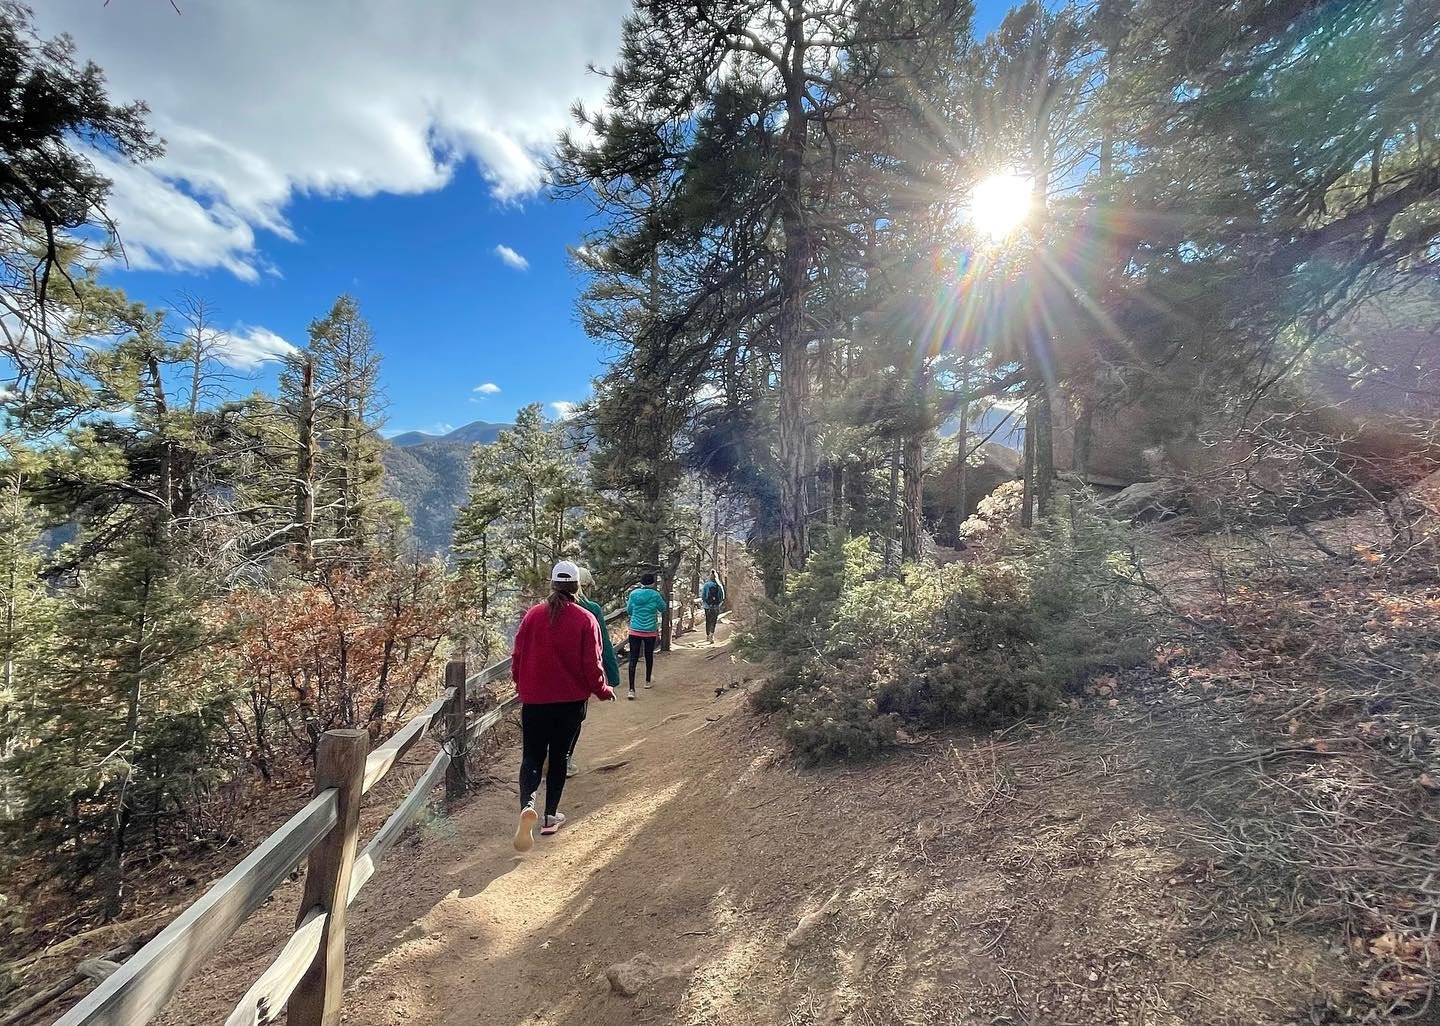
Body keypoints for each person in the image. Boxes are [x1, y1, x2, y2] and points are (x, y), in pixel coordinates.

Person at [510, 561, 615, 852]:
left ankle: (526, 806)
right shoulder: (585, 618)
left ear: (553, 584)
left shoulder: (533, 615)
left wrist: (521, 684)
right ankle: (549, 817)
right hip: (570, 702)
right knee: (559, 757)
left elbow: (517, 655)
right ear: (577, 586)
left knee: (531, 757)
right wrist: (603, 691)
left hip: (534, 700)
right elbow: (592, 665)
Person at [567, 566, 620, 778]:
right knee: (574, 719)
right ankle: (565, 759)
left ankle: (549, 757)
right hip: (578, 676)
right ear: (584, 586)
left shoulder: (545, 608)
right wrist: (612, 676)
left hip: (549, 673)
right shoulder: (592, 609)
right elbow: (603, 645)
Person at [624, 572, 667, 699]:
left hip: (635, 630)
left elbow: (629, 610)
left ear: (641, 582)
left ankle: (631, 690)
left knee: (633, 659)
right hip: (650, 631)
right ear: (653, 583)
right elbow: (663, 608)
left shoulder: (634, 594)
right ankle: (648, 681)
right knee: (649, 656)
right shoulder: (655, 595)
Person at [700, 572, 725, 644]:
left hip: (707, 606)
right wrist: (718, 604)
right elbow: (722, 597)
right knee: (713, 621)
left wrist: (706, 603)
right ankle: (711, 634)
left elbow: (703, 596)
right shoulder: (719, 585)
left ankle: (707, 636)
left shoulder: (706, 585)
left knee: (708, 621)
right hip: (716, 606)